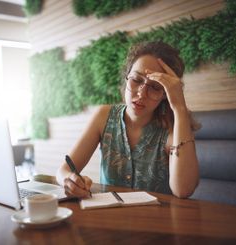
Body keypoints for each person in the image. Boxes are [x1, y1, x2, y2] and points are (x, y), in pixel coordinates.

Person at [56, 41, 199, 198]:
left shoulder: (173, 127)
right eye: (136, 80)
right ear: (126, 78)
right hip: (109, 217)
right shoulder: (104, 116)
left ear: (165, 94)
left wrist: (179, 108)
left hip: (157, 220)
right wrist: (69, 180)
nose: (141, 94)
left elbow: (183, 190)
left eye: (155, 87)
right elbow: (64, 170)